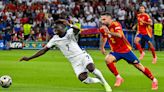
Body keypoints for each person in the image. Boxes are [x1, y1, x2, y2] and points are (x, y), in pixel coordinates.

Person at [19, 19, 112, 92]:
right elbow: (43, 50)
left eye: (57, 27)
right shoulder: (54, 39)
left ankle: (105, 83)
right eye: (54, 28)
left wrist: (69, 24)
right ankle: (99, 81)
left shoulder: (70, 32)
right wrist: (29, 58)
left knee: (91, 68)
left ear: (63, 28)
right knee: (83, 79)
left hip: (82, 55)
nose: (55, 29)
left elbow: (77, 30)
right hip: (74, 62)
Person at [99, 12, 158, 90]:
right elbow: (104, 37)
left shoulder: (116, 24)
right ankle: (118, 77)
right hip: (116, 51)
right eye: (101, 19)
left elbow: (120, 35)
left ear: (109, 18)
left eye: (104, 19)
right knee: (107, 59)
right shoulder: (102, 28)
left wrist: (109, 32)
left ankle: (154, 80)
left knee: (139, 67)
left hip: (125, 50)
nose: (102, 21)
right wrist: (102, 47)